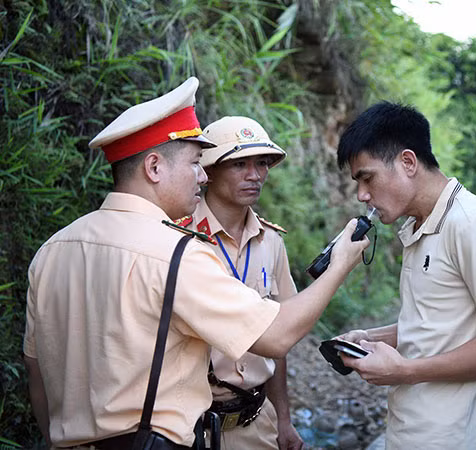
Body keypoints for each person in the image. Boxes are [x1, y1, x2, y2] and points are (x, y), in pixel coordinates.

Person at [22, 77, 369, 449]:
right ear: (154, 167)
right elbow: (277, 336)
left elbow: (36, 372)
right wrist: (340, 265)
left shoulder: (52, 250)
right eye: (194, 163)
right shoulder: (176, 253)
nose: (202, 176)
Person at [335, 102, 476, 449]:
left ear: (408, 162)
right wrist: (369, 338)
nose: (362, 195)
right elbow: (436, 325)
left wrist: (406, 371)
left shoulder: (470, 224)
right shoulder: (421, 224)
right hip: (413, 433)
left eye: (367, 178)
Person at [182, 116, 303, 449]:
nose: (255, 175)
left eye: (262, 163)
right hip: (188, 428)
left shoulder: (271, 242)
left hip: (256, 423)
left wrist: (283, 420)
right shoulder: (179, 238)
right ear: (208, 171)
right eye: (239, 164)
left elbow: (279, 335)